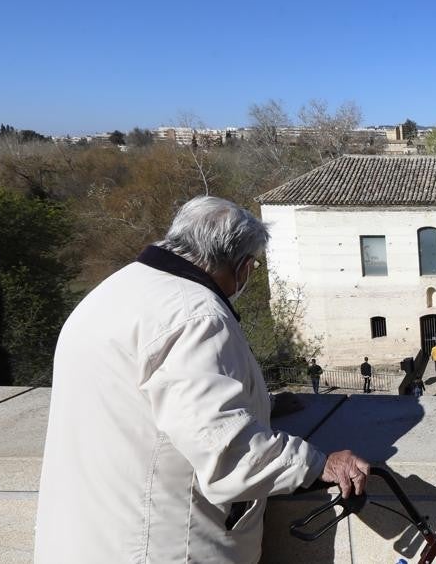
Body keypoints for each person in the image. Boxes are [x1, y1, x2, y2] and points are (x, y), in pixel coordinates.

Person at [34, 196, 369, 563]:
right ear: (242, 266)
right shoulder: (198, 317)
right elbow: (226, 449)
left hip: (88, 535)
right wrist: (319, 464)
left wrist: (260, 403)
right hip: (160, 544)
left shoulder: (115, 289)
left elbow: (145, 399)